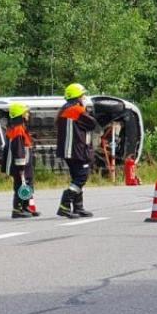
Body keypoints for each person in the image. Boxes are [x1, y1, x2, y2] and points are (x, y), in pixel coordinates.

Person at [55, 82, 98, 219]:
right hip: (77, 150)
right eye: (82, 95)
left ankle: (78, 207)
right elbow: (92, 124)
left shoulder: (65, 109)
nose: (84, 97)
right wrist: (89, 112)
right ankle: (65, 204)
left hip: (69, 151)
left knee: (76, 177)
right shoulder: (76, 110)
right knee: (81, 177)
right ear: (77, 97)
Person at [4, 102, 37, 218]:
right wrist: (21, 167)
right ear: (20, 115)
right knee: (20, 185)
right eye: (25, 112)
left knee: (28, 185)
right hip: (20, 165)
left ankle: (29, 207)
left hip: (25, 164)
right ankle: (17, 209)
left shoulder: (21, 128)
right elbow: (18, 150)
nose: (28, 114)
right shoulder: (17, 130)